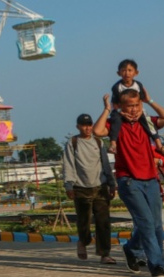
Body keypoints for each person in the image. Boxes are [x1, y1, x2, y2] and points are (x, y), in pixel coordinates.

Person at [93, 88, 164, 277]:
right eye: (129, 106)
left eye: (137, 105)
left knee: (155, 224)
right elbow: (97, 131)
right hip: (129, 181)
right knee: (146, 222)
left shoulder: (146, 123)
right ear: (120, 107)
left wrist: (149, 100)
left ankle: (131, 249)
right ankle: (157, 265)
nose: (134, 109)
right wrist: (107, 109)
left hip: (151, 180)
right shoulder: (116, 124)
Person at [63, 113, 117, 265]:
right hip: (81, 187)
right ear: (78, 126)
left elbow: (106, 164)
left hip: (100, 187)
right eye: (83, 125)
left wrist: (112, 184)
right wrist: (69, 185)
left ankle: (104, 253)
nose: (87, 128)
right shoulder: (73, 143)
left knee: (103, 222)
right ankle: (83, 241)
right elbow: (68, 164)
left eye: (89, 125)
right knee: (84, 221)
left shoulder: (99, 143)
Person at [107, 59, 164, 157]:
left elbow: (140, 100)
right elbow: (115, 103)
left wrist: (139, 112)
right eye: (124, 70)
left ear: (136, 72)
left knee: (148, 122)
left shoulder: (138, 85)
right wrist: (122, 113)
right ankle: (113, 143)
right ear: (119, 73)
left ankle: (159, 145)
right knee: (116, 121)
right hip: (119, 110)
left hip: (137, 109)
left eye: (130, 70)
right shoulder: (117, 87)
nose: (127, 73)